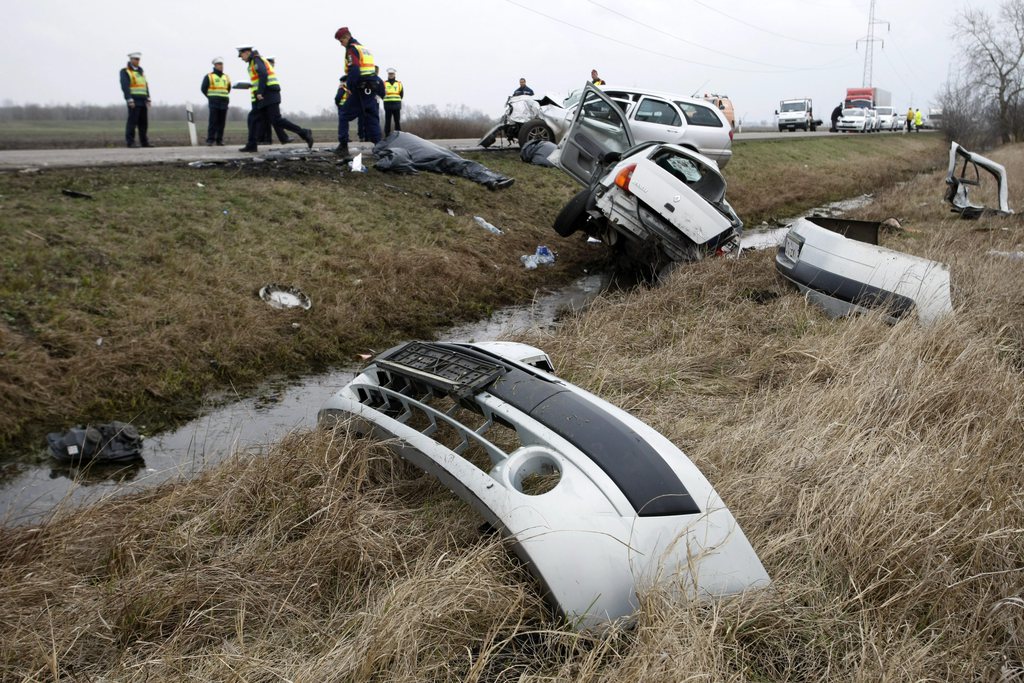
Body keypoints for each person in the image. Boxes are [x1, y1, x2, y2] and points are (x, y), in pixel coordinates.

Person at [235, 45, 313, 153]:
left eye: (241, 55)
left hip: (268, 94)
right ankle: (252, 145)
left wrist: (260, 92)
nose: (241, 58)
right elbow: (258, 78)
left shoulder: (256, 59)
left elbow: (263, 74)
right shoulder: (254, 61)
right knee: (253, 118)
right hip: (266, 95)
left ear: (247, 52)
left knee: (276, 120)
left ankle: (304, 132)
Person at [334, 27, 382, 157]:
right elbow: (372, 71)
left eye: (341, 40)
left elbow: (354, 70)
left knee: (344, 114)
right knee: (371, 116)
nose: (341, 44)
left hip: (360, 88)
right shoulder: (364, 49)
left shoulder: (352, 49)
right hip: (371, 88)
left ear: (346, 37)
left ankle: (343, 145)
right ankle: (380, 147)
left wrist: (350, 87)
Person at [120, 52, 152, 148]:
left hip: (142, 100)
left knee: (143, 123)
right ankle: (130, 142)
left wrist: (148, 98)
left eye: (138, 59)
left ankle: (144, 142)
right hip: (134, 100)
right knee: (132, 122)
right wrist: (129, 99)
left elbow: (145, 85)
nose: (137, 61)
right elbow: (125, 86)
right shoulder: (125, 71)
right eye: (136, 59)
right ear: (131, 60)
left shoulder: (140, 71)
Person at [200, 57, 230, 146]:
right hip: (214, 102)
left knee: (222, 122)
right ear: (215, 65)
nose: (221, 66)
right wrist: (210, 97)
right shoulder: (209, 76)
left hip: (224, 102)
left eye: (222, 64)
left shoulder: (226, 77)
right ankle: (210, 139)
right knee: (213, 121)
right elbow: (203, 88)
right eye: (219, 64)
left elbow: (228, 88)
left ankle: (219, 140)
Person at [383, 67, 403, 136]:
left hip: (396, 105)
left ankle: (398, 135)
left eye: (392, 74)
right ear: (388, 75)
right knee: (387, 121)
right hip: (387, 105)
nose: (391, 75)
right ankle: (387, 136)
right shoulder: (384, 83)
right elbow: (382, 93)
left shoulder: (399, 83)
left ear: (395, 74)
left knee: (397, 121)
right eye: (390, 74)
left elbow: (401, 94)